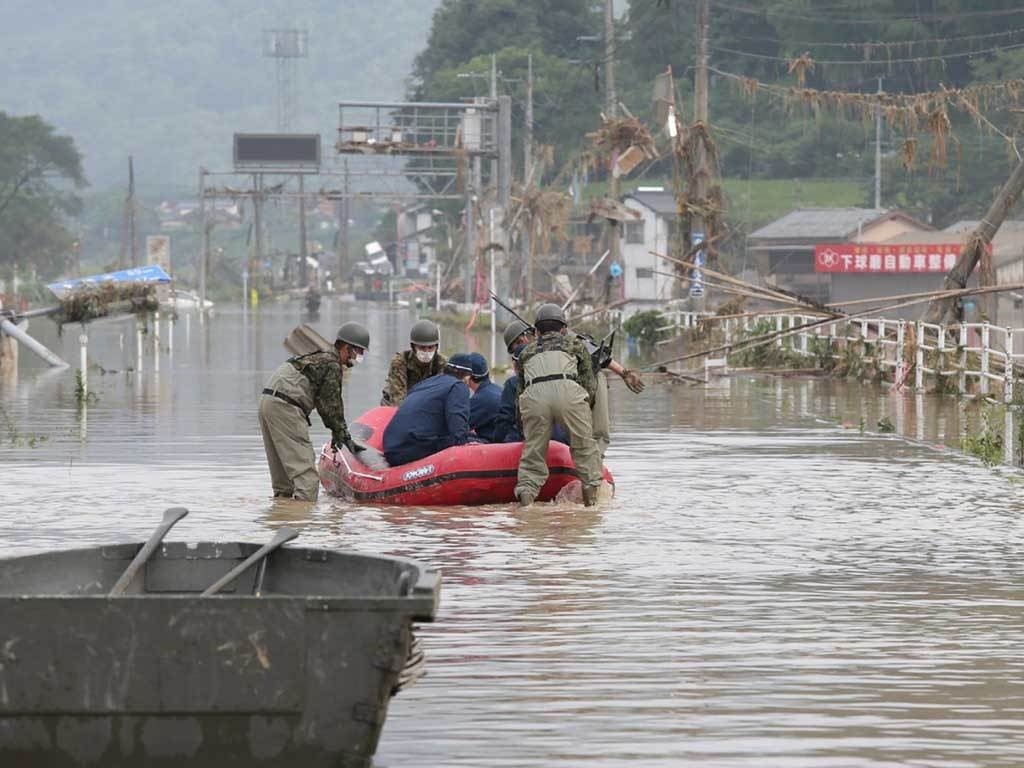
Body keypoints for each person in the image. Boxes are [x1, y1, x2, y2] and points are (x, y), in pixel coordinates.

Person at [259, 321, 369, 501]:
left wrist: (337, 433)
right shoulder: (332, 364)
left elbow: (324, 403)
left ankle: (282, 518)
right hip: (286, 407)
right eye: (358, 352)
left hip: (268, 402)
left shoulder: (317, 357)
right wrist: (344, 436)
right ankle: (305, 520)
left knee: (283, 484)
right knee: (307, 482)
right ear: (346, 347)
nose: (359, 357)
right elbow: (331, 405)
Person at [514, 304, 603, 507]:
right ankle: (592, 504)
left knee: (533, 453)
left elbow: (519, 394)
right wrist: (583, 410)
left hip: (534, 396)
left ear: (536, 331)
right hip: (568, 392)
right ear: (564, 328)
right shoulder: (575, 344)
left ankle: (527, 502)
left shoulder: (525, 352)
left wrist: (523, 425)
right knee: (584, 447)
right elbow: (589, 383)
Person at [383, 353, 475, 466]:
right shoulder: (458, 386)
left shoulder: (427, 383)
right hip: (412, 449)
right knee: (475, 441)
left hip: (391, 447)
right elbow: (457, 427)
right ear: (467, 377)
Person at [380, 319, 448, 406]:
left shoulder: (442, 363)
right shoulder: (400, 361)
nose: (426, 352)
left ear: (436, 347)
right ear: (413, 346)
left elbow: (442, 393)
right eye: (422, 348)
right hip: (400, 404)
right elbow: (398, 397)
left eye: (430, 347)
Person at [466, 352, 503, 442]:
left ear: (468, 376)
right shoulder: (498, 389)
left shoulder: (481, 399)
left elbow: (459, 426)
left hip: (495, 445)